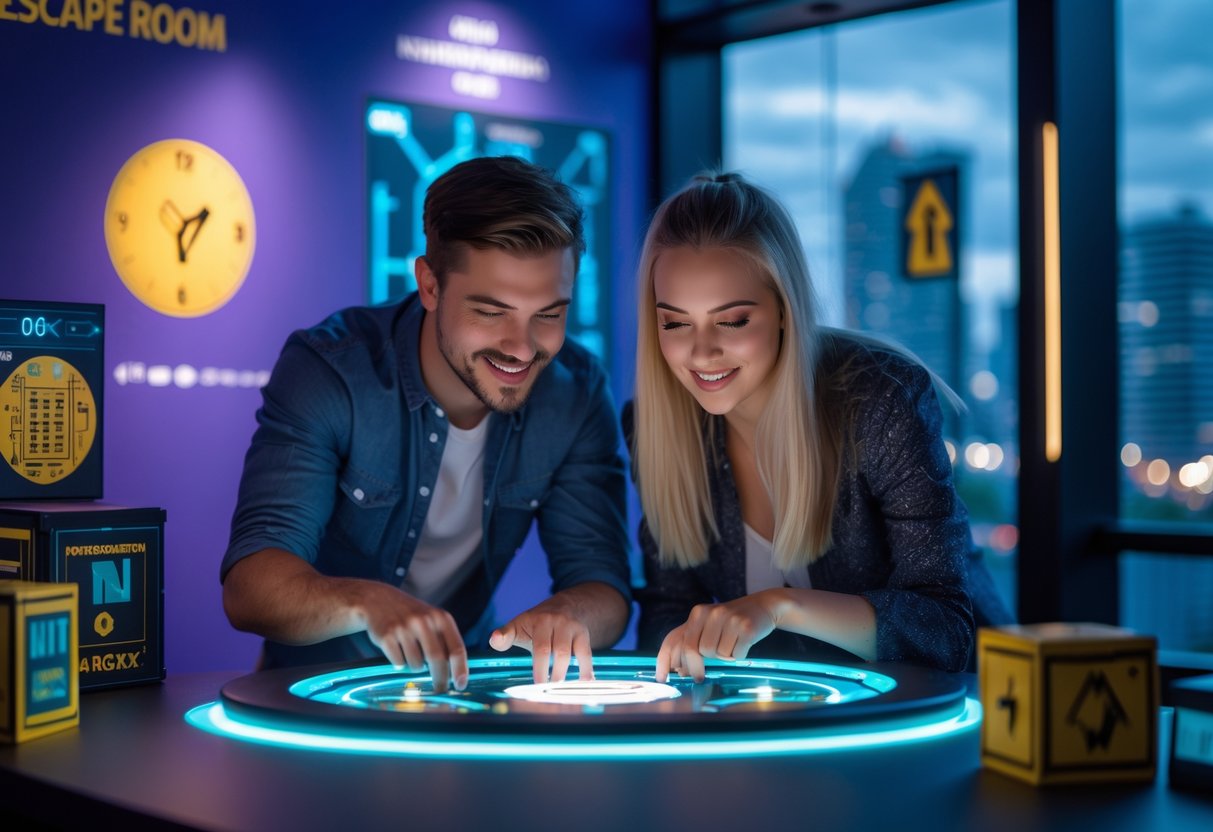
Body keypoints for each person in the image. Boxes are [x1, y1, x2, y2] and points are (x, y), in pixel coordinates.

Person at [221, 155, 631, 692]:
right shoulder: (330, 369)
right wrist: (368, 602)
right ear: (430, 285)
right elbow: (250, 586)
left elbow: (604, 587)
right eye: (490, 311)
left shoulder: (577, 392)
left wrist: (567, 615)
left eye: (549, 315)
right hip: (313, 694)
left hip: (463, 695)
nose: (521, 347)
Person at [626, 171, 1013, 680]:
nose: (701, 352)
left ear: (785, 310)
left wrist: (782, 607)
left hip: (965, 707)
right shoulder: (654, 426)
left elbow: (944, 633)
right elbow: (667, 614)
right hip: (788, 720)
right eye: (675, 322)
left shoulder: (880, 400)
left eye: (733, 320)